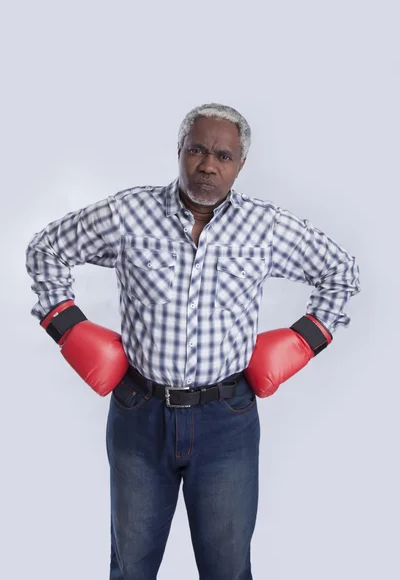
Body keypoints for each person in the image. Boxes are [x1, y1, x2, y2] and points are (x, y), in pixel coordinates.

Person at [25, 102, 361, 580]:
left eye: (223, 156)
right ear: (179, 151)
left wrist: (306, 340)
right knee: (131, 567)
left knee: (227, 570)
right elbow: (46, 248)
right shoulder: (129, 214)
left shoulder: (264, 227)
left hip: (227, 421)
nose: (208, 165)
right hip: (139, 414)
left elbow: (341, 272)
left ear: (240, 165)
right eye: (197, 150)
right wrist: (64, 322)